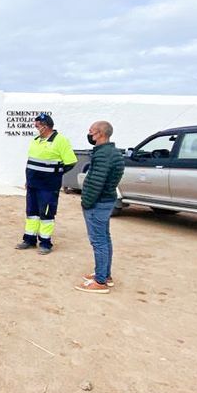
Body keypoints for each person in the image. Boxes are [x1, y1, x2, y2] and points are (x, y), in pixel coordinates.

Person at [15, 113, 77, 254]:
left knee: (46, 214)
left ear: (45, 126)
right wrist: (28, 180)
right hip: (33, 185)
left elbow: (70, 162)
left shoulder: (60, 140)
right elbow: (32, 162)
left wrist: (54, 174)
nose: (36, 128)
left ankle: (45, 243)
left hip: (48, 186)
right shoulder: (36, 140)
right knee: (32, 213)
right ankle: (29, 239)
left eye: (38, 125)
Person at [75, 121, 125, 294]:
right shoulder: (113, 152)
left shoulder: (104, 155)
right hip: (106, 200)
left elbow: (97, 182)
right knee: (104, 238)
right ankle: (105, 274)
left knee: (98, 241)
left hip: (98, 203)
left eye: (91, 131)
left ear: (100, 134)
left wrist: (86, 202)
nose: (89, 134)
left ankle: (100, 281)